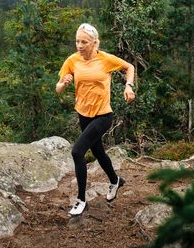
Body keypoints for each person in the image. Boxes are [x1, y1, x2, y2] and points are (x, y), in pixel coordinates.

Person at [56, 23, 135, 217]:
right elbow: (58, 88)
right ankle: (115, 180)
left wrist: (129, 86)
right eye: (77, 41)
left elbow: (129, 67)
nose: (79, 45)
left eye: (84, 42)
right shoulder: (72, 61)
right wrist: (64, 83)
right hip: (83, 114)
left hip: (103, 115)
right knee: (98, 151)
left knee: (77, 152)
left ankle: (81, 200)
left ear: (94, 43)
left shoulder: (105, 59)